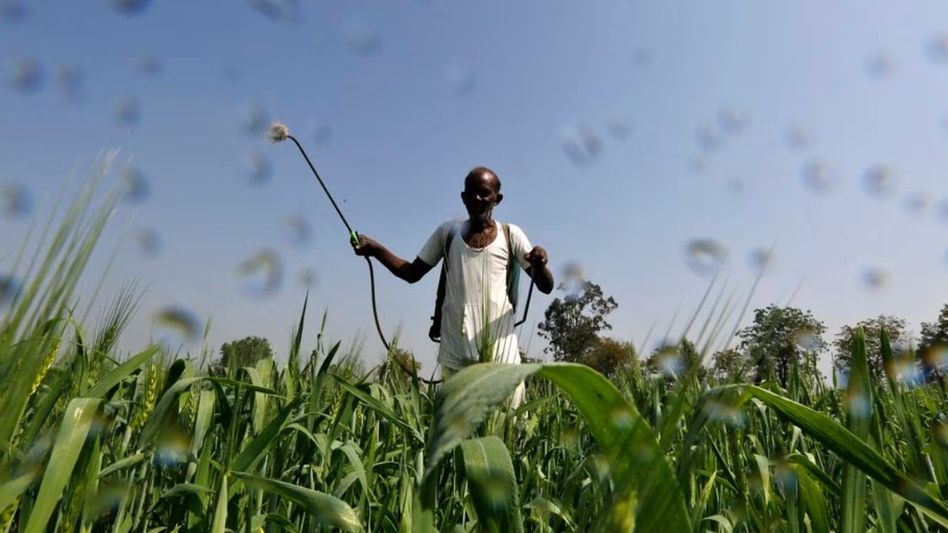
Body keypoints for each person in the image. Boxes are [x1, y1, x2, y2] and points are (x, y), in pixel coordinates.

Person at [353, 166, 554, 402]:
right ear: (463, 198)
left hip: (501, 350)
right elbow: (411, 273)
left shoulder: (511, 235)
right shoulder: (447, 233)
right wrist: (376, 250)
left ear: (497, 199)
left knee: (506, 421)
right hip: (455, 349)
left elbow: (546, 286)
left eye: (484, 193)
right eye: (471, 194)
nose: (477, 199)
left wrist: (539, 266)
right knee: (458, 427)